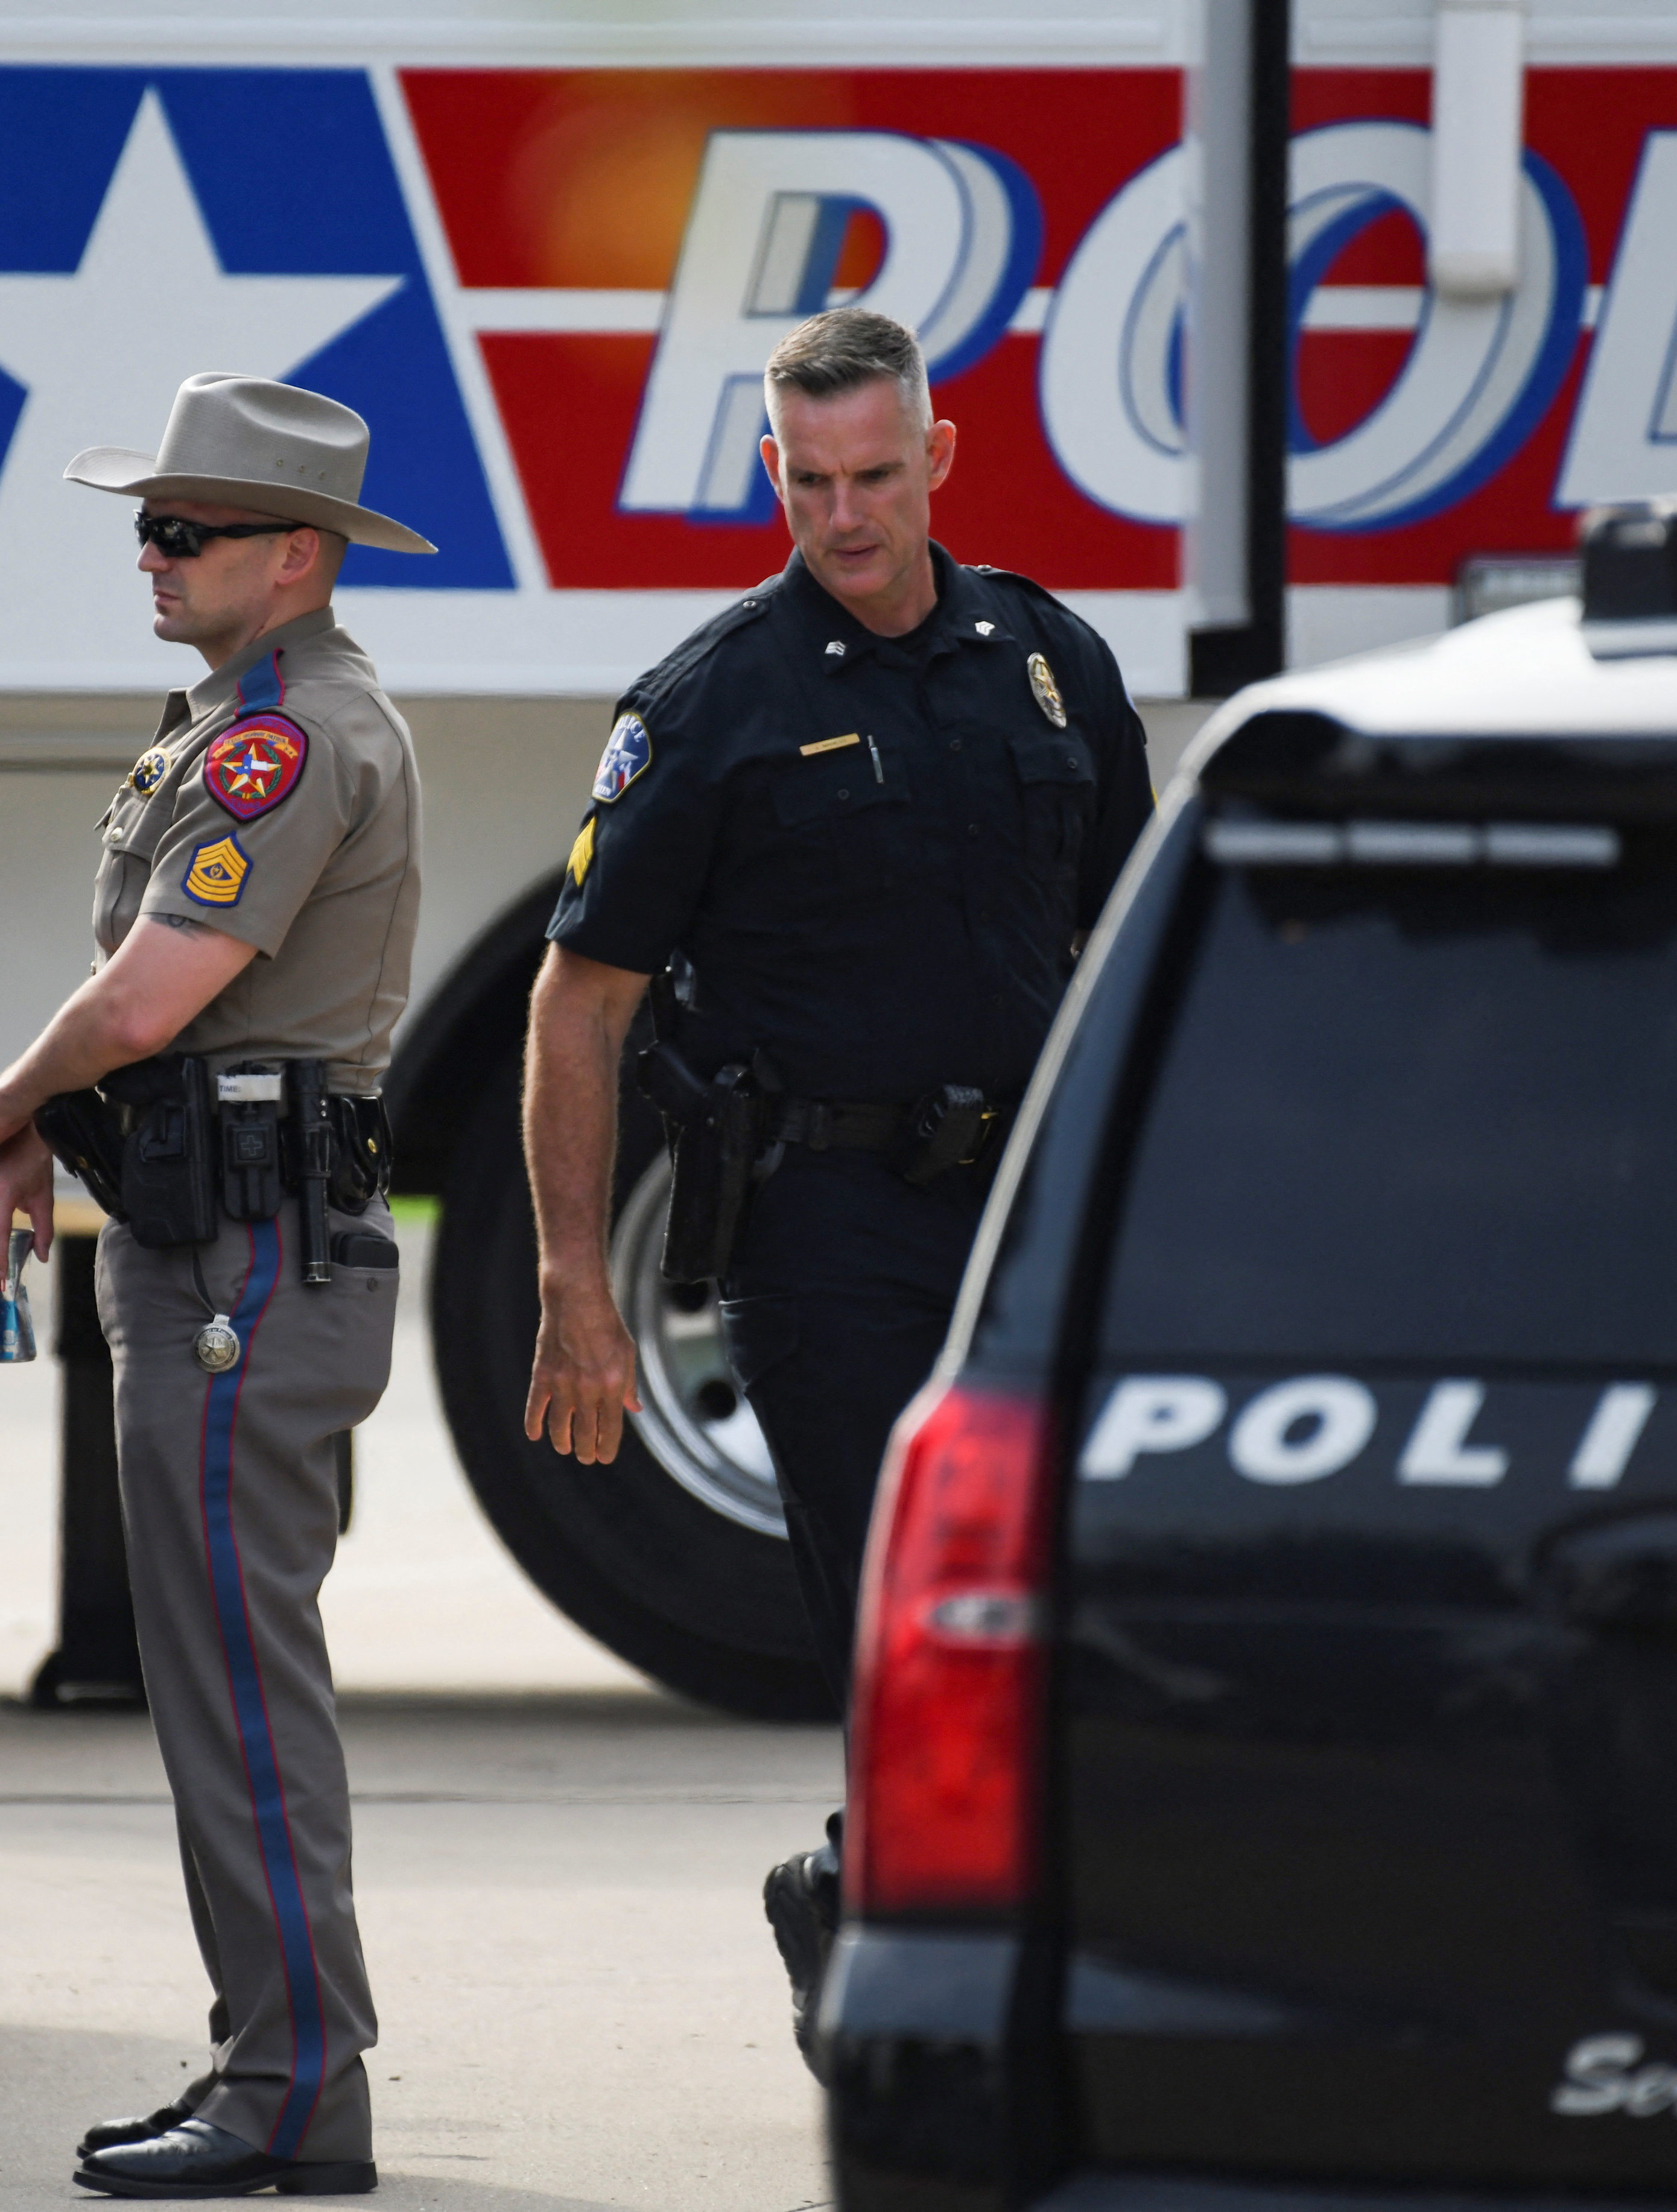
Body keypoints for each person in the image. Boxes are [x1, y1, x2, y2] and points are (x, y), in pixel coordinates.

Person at [516, 308, 1153, 2063]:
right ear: (771, 472)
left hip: (1017, 1222)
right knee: (901, 1611)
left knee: (1050, 1599)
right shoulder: (715, 701)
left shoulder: (1047, 661)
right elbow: (576, 1008)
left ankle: (859, 1886)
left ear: (937, 457)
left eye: (876, 475)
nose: (846, 516)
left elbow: (1116, 952)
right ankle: (939, 1999)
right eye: (809, 483)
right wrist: (578, 1286)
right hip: (827, 1229)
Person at [0, 374, 428, 2199]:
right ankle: (279, 2058)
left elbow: (150, 997)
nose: (148, 553)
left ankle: (293, 2076)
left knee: (236, 1674)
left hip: (243, 1260)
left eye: (184, 528)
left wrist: (0, 1108)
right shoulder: (233, 719)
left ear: (290, 556)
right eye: (147, 523)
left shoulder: (283, 739)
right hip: (213, 1237)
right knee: (224, 1666)